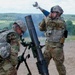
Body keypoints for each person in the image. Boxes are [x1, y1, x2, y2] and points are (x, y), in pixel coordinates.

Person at [39, 5, 68, 75]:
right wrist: (44, 19)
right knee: (44, 65)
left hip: (57, 48)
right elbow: (41, 28)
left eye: (53, 12)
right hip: (48, 47)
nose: (51, 13)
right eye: (51, 12)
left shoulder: (61, 22)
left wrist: (47, 17)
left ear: (58, 14)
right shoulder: (48, 20)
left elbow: (52, 23)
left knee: (60, 67)